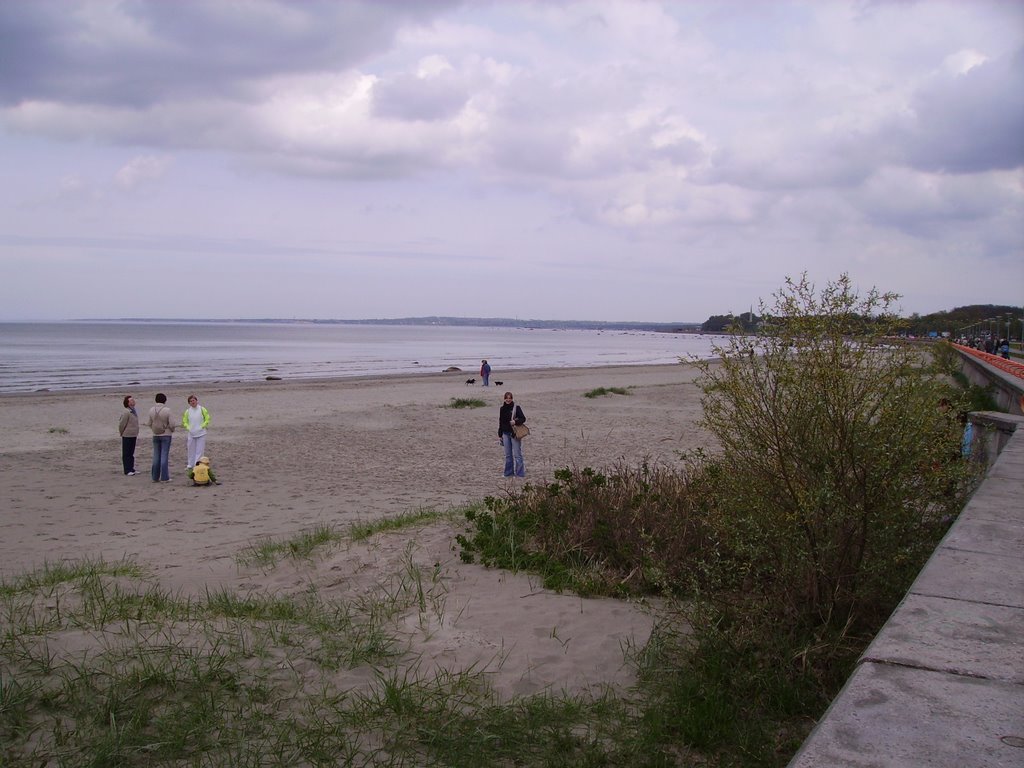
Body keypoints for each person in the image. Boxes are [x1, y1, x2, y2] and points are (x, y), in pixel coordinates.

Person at [146, 393, 175, 482]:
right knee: (164, 456)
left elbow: (149, 423)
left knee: (156, 455)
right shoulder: (167, 410)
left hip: (155, 434)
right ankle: (164, 477)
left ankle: (155, 477)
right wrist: (171, 430)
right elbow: (172, 424)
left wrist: (154, 429)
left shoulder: (151, 410)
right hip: (166, 434)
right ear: (164, 400)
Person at [498, 391, 526, 478]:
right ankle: (508, 473)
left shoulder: (516, 408)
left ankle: (520, 474)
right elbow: (501, 422)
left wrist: (515, 421)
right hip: (505, 434)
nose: (508, 400)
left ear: (512, 399)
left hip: (514, 434)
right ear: (504, 399)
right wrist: (500, 434)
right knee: (508, 455)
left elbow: (523, 418)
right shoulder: (502, 409)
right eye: (507, 398)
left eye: (510, 398)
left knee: (517, 454)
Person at [182, 394, 210, 469]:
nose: (192, 402)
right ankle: (190, 464)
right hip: (191, 433)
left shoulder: (202, 409)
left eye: (193, 400)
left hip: (201, 433)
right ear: (189, 403)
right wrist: (188, 428)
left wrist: (202, 426)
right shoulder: (187, 411)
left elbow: (207, 418)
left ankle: (197, 465)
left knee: (199, 450)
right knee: (191, 449)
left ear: (196, 401)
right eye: (190, 401)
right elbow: (184, 421)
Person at [118, 394, 139, 476]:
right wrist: (122, 432)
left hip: (133, 434)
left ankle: (131, 468)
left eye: (133, 400)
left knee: (131, 452)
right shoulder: (126, 412)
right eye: (131, 400)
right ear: (127, 403)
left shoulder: (133, 410)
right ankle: (127, 469)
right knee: (126, 453)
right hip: (127, 434)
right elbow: (121, 424)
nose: (133, 401)